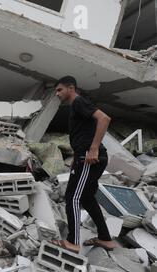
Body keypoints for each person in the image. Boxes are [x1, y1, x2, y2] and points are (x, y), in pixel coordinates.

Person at [54, 76, 116, 254]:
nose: (57, 94)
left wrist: (94, 149)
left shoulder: (78, 102)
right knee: (87, 198)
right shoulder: (77, 106)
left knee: (72, 197)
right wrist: (76, 156)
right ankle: (105, 238)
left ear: (71, 88)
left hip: (90, 158)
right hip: (84, 157)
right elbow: (83, 133)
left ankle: (73, 242)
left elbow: (104, 119)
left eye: (59, 90)